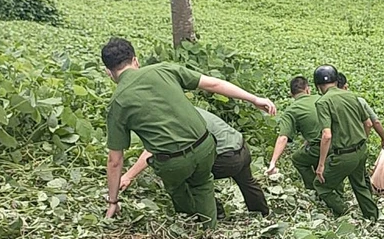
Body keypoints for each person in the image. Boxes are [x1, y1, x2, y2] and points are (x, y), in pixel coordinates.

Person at [101, 37, 275, 227]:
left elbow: (115, 160)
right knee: (203, 183)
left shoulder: (117, 103)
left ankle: (192, 224)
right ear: (135, 60)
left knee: (179, 187)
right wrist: (254, 99)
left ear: (109, 72)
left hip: (174, 163)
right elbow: (213, 84)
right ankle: (213, 228)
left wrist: (113, 201)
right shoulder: (163, 69)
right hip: (206, 146)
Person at [119, 106, 270, 219]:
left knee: (192, 176)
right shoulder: (187, 108)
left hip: (226, 158)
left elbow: (152, 150)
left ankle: (216, 213)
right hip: (241, 145)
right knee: (247, 182)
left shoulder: (174, 121)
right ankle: (263, 215)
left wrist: (128, 176)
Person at [312, 65, 379, 219]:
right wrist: (360, 141)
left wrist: (321, 164)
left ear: (318, 86)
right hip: (361, 150)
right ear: (336, 81)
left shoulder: (323, 102)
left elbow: (327, 135)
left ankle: (345, 212)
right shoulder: (351, 96)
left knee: (321, 185)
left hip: (344, 154)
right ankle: (373, 217)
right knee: (360, 185)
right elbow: (368, 123)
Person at [266, 76, 322, 190]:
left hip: (319, 147)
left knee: (298, 159)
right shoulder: (321, 99)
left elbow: (283, 137)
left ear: (291, 94)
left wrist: (273, 162)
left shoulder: (291, 110)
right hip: (339, 141)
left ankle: (314, 188)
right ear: (308, 89)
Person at [337, 72, 384, 151]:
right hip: (357, 144)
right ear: (345, 87)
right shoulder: (359, 101)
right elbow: (374, 122)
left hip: (338, 146)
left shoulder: (326, 103)